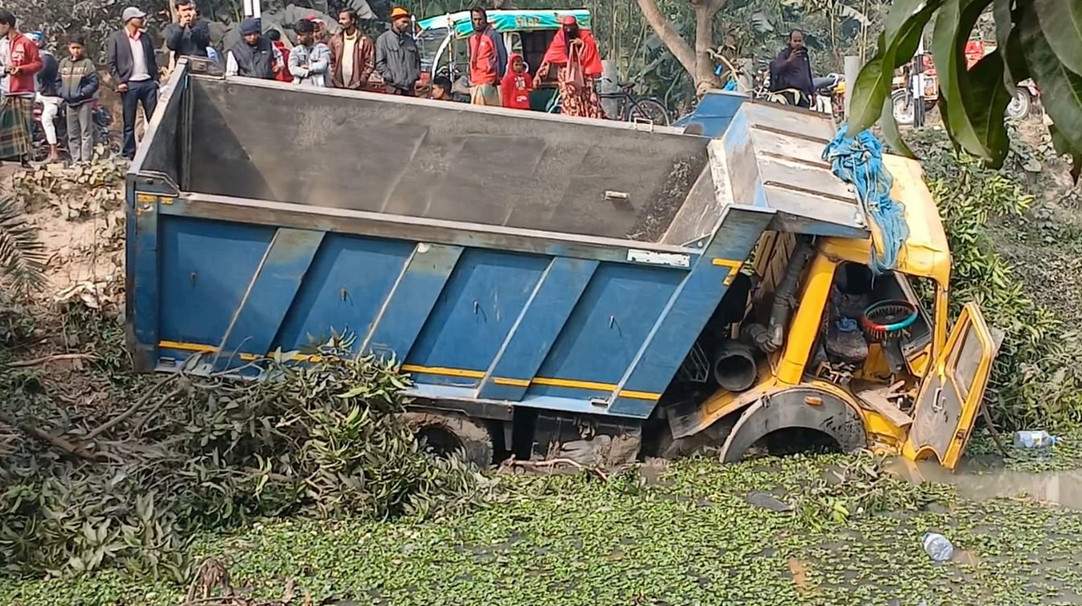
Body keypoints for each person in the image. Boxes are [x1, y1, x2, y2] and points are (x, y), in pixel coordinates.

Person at [108, 6, 159, 160]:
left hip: (147, 82)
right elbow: (111, 63)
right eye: (139, 18)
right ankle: (129, 153)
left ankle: (156, 150)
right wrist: (119, 82)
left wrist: (155, 79)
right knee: (129, 121)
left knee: (155, 120)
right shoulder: (117, 38)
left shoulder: (145, 37)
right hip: (129, 84)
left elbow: (151, 60)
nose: (142, 20)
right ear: (130, 20)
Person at [537, 15, 603, 119]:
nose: (568, 30)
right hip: (566, 75)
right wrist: (540, 74)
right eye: (566, 27)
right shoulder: (559, 38)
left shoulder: (585, 35)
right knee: (570, 99)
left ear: (576, 26)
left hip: (583, 74)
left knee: (588, 98)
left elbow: (591, 48)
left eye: (571, 27)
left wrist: (581, 44)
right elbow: (550, 55)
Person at [0, 10, 41, 168]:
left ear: (6, 25)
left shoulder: (26, 42)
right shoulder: (2, 44)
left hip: (24, 91)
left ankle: (25, 160)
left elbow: (38, 64)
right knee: (3, 124)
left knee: (24, 127)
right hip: (5, 90)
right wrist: (5, 71)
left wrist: (21, 69)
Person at [58, 34, 99, 164]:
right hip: (69, 103)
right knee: (72, 133)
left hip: (84, 102)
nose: (76, 51)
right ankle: (76, 160)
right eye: (73, 47)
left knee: (86, 132)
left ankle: (86, 160)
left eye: (78, 48)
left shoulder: (87, 64)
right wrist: (62, 93)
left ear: (83, 48)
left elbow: (93, 83)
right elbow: (57, 81)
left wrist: (82, 93)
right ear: (69, 48)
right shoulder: (64, 63)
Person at [29, 31, 61, 162]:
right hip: (40, 94)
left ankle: (54, 151)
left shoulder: (46, 57)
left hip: (52, 96)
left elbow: (39, 73)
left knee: (46, 119)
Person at [375, 7, 420, 96]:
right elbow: (380, 63)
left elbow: (417, 60)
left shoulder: (410, 40)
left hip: (409, 89)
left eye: (408, 22)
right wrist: (390, 77)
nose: (406, 25)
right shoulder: (383, 39)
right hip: (393, 88)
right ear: (394, 21)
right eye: (403, 22)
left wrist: (415, 75)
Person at [467, 6, 506, 106]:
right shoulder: (472, 38)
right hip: (475, 81)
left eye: (480, 19)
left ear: (485, 19)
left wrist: (498, 77)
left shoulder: (492, 35)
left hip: (488, 80)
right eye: (475, 19)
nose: (478, 22)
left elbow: (502, 57)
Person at [329, 9, 374, 90]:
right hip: (338, 85)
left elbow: (370, 63)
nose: (340, 22)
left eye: (343, 19)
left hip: (358, 86)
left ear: (352, 20)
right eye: (339, 19)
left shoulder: (365, 40)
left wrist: (362, 80)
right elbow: (330, 59)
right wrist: (333, 76)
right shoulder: (335, 39)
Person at [768, 29, 814, 108]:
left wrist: (813, 93)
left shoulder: (804, 55)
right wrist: (789, 60)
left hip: (803, 95)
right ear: (790, 41)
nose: (797, 43)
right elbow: (776, 68)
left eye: (799, 41)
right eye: (795, 41)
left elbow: (808, 74)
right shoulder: (784, 54)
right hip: (790, 95)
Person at [288, 19, 330, 87]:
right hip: (299, 87)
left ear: (310, 34)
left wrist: (309, 67)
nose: (298, 38)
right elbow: (293, 69)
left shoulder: (322, 48)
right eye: (297, 35)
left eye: (302, 35)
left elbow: (323, 65)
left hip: (319, 88)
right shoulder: (295, 51)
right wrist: (308, 72)